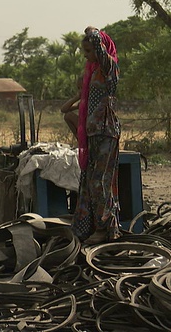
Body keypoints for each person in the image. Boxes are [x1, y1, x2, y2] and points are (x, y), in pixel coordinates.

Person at [72, 26, 121, 245]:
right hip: (94, 131)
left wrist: (93, 32)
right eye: (85, 52)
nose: (87, 56)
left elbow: (100, 48)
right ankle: (94, 226)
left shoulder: (109, 67)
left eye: (90, 50)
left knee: (99, 181)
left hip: (105, 130)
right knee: (90, 181)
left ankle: (106, 228)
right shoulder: (92, 72)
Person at [60, 76, 83, 141]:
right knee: (67, 116)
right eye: (79, 88)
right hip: (83, 126)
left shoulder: (92, 100)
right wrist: (76, 98)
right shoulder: (82, 103)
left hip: (91, 126)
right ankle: (79, 137)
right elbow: (63, 109)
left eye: (82, 88)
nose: (80, 91)